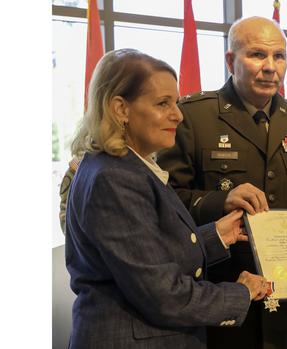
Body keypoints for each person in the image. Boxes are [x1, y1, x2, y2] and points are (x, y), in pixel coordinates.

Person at [65, 48, 270, 349]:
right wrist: (241, 293)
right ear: (120, 109)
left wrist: (215, 237)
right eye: (163, 104)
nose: (178, 114)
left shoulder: (126, 166)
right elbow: (162, 295)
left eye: (175, 102)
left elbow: (152, 253)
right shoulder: (115, 178)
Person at [157, 16, 287, 349]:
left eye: (279, 56)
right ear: (230, 61)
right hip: (223, 288)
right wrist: (219, 201)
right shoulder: (192, 117)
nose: (271, 67)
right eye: (257, 55)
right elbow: (165, 202)